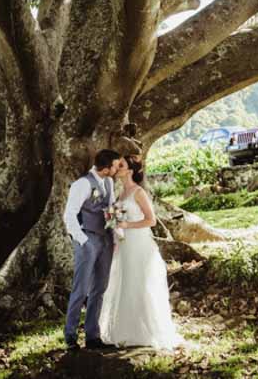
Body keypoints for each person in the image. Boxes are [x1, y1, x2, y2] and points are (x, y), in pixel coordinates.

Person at [99, 156, 183, 350]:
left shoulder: (138, 192)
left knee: (139, 283)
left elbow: (151, 220)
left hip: (140, 243)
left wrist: (127, 224)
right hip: (125, 244)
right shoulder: (121, 194)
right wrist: (116, 230)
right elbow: (117, 220)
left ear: (130, 171)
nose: (117, 168)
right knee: (126, 283)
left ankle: (145, 332)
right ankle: (126, 331)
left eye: (122, 165)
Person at [63, 149, 122, 351]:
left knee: (100, 289)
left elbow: (111, 207)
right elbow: (69, 215)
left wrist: (116, 233)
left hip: (106, 240)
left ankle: (92, 336)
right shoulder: (83, 184)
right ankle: (70, 336)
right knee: (81, 290)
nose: (117, 168)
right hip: (87, 239)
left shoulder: (109, 182)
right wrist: (83, 240)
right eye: (115, 165)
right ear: (106, 168)